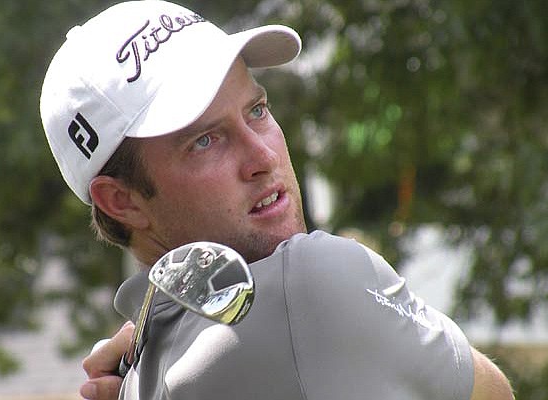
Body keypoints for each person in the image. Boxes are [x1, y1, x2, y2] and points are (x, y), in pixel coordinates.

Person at [40, 1, 514, 399]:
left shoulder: (141, 371)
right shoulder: (308, 280)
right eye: (205, 140)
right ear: (121, 201)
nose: (263, 156)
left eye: (258, 110)